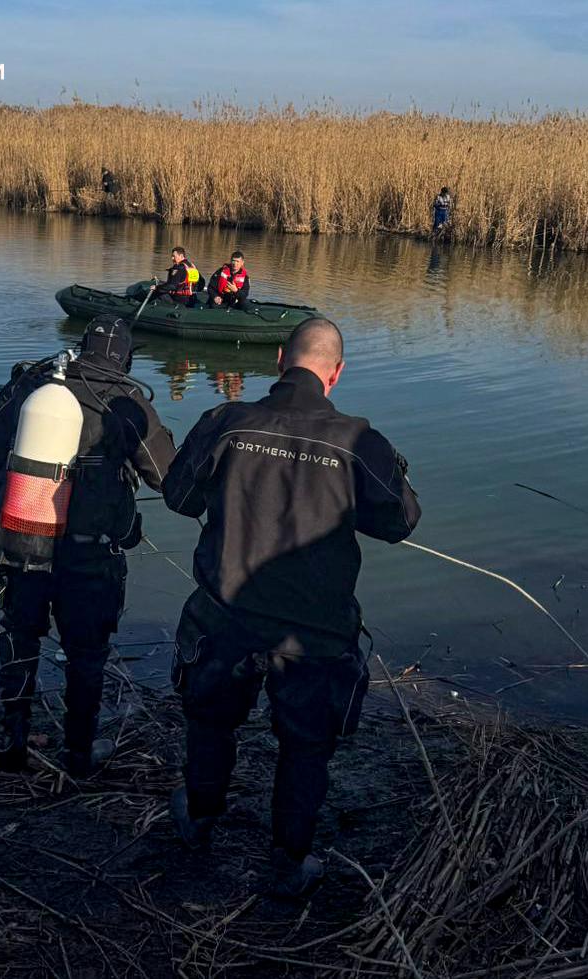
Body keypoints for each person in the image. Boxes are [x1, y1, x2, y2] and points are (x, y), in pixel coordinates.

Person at [161, 317, 421, 898]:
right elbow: (401, 521)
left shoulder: (225, 421)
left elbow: (178, 496)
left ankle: (199, 818)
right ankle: (288, 859)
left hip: (224, 615)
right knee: (306, 746)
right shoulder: (360, 441)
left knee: (210, 721)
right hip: (316, 633)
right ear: (336, 374)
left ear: (279, 360)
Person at [0, 314, 177, 777]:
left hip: (23, 544)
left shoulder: (29, 386)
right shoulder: (128, 402)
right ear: (125, 357)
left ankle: (14, 743)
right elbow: (167, 479)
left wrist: (11, 511)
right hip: (90, 558)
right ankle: (79, 755)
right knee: (86, 656)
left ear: (81, 345)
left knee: (20, 639)